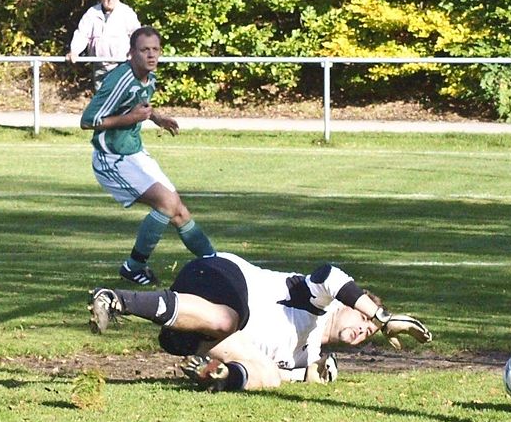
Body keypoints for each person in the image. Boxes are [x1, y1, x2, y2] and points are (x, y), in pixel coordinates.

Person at [87, 251, 433, 391]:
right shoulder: (318, 301)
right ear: (347, 306)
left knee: (269, 376)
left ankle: (219, 377)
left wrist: (315, 373)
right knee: (227, 318)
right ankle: (116, 299)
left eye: (370, 332)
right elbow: (330, 274)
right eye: (363, 318)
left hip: (198, 334)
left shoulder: (308, 353)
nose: (364, 329)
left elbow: (292, 374)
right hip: (219, 274)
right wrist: (384, 319)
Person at [80, 26, 214, 286]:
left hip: (134, 152)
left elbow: (141, 104)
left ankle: (214, 261)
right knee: (165, 203)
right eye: (144, 50)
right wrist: (131, 118)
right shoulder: (119, 80)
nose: (151, 55)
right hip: (112, 158)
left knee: (178, 210)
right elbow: (88, 121)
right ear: (131, 53)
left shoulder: (148, 77)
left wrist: (157, 118)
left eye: (155, 49)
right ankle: (133, 266)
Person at [67, 0, 142, 89]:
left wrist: (138, 53)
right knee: (101, 99)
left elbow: (137, 35)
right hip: (99, 65)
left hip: (122, 64)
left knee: (121, 97)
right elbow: (82, 34)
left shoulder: (126, 13)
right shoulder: (92, 13)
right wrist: (74, 51)